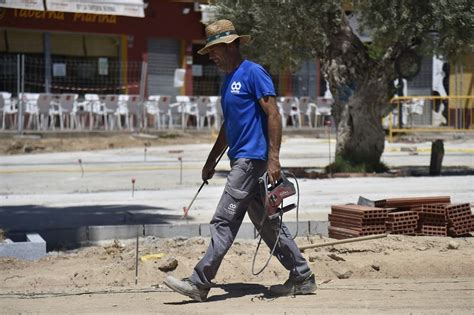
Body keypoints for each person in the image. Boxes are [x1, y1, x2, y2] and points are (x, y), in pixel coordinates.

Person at [164, 19, 316, 302]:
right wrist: (211, 161)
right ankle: (302, 276)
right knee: (268, 224)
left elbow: (273, 115)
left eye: (214, 50)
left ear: (231, 45)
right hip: (241, 161)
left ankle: (200, 282)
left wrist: (274, 159)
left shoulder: (254, 73)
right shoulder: (227, 81)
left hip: (251, 161)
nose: (211, 56)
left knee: (224, 219)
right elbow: (228, 127)